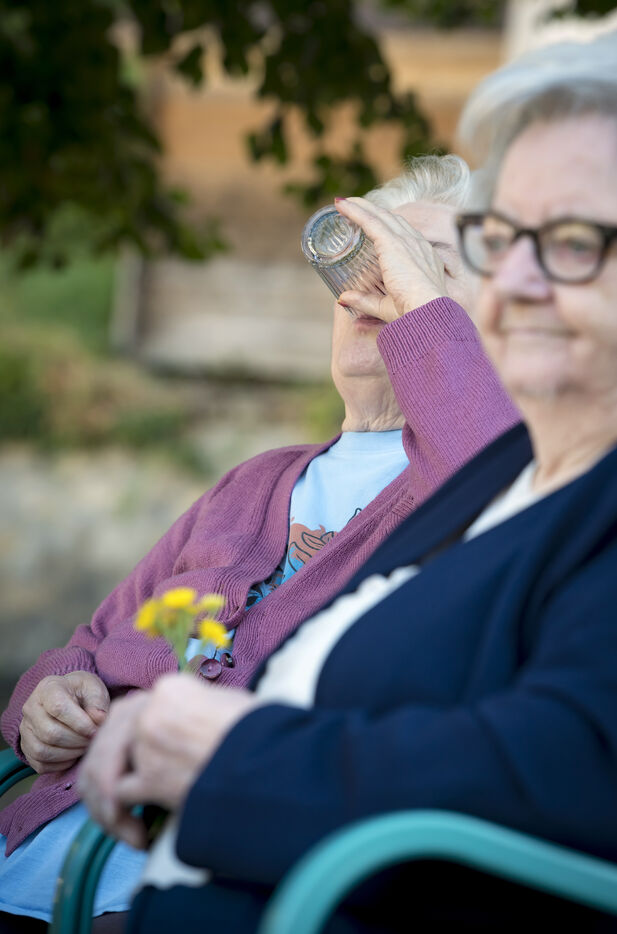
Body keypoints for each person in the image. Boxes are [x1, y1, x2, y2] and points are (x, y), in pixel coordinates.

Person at [78, 28, 617, 933]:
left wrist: (234, 753)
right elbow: (103, 639)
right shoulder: (511, 484)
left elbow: (564, 768)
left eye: (568, 240)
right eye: (500, 239)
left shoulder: (503, 484)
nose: (515, 281)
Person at [0, 156, 518, 931]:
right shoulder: (252, 482)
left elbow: (502, 492)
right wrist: (49, 698)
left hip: (224, 888)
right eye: (367, 259)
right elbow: (89, 644)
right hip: (42, 862)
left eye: (420, 266)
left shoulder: (485, 478)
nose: (373, 286)